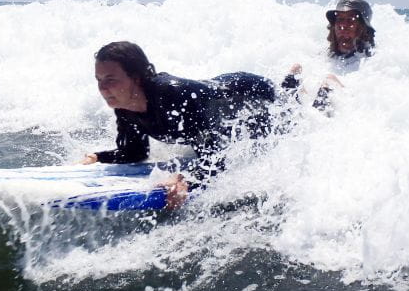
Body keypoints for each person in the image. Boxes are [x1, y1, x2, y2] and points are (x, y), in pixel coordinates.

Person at [82, 41, 280, 207]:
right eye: (99, 80)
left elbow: (216, 159)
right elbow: (136, 153)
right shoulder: (125, 107)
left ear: (136, 78)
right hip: (226, 101)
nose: (102, 88)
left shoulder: (174, 97)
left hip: (253, 93)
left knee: (285, 120)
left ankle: (291, 81)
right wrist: (97, 157)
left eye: (110, 79)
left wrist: (186, 180)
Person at [284, 0, 376, 110]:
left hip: (343, 111)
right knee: (296, 70)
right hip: (305, 111)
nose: (343, 26)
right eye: (340, 20)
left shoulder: (371, 62)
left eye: (351, 20)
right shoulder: (323, 56)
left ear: (363, 29)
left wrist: (333, 84)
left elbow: (362, 100)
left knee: (330, 80)